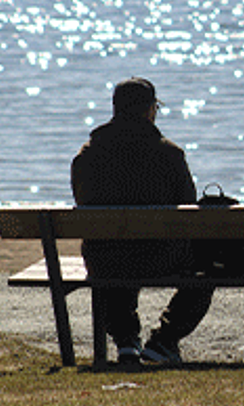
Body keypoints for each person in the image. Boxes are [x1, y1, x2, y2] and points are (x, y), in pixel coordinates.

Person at [71, 77, 213, 365]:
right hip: (161, 258)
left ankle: (126, 342)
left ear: (115, 110)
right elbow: (189, 212)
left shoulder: (88, 155)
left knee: (113, 251)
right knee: (208, 267)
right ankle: (164, 341)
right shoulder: (169, 154)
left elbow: (83, 202)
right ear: (150, 110)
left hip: (105, 260)